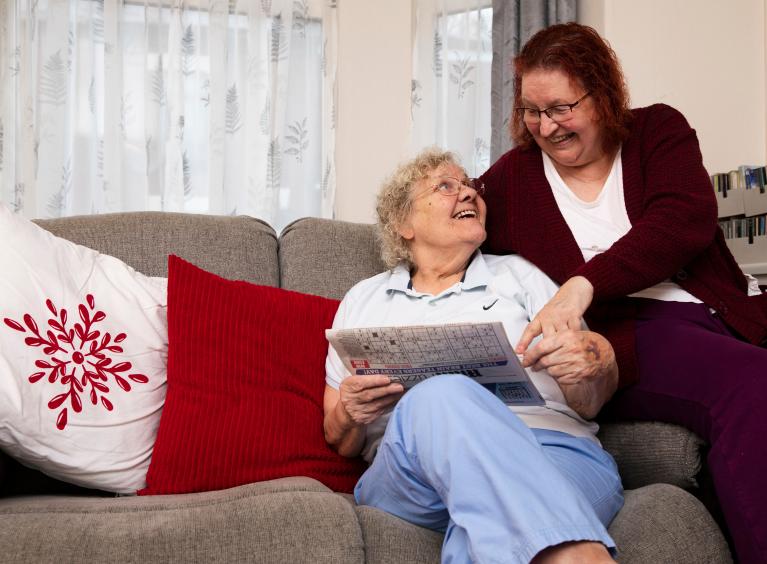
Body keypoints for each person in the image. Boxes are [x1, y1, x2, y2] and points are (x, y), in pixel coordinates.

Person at [480, 22, 767, 564]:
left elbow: (684, 220)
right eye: (531, 112)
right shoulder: (511, 181)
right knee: (752, 386)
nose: (546, 127)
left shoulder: (658, 130)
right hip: (629, 340)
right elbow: (452, 219)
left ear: (603, 93)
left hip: (726, 309)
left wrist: (581, 284)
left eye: (561, 107)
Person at [323, 148, 624, 564]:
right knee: (439, 396)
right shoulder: (364, 299)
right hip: (412, 475)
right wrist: (351, 413)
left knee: (477, 535)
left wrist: (594, 366)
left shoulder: (519, 275)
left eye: (470, 185)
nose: (468, 194)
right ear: (402, 222)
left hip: (553, 451)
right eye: (446, 186)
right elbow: (339, 440)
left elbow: (592, 401)